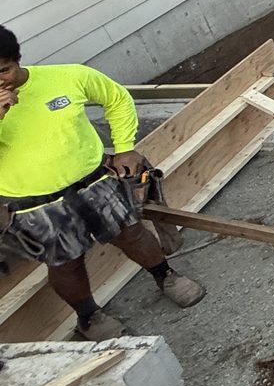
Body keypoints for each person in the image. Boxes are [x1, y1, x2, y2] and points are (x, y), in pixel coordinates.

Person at [0, 24, 204, 340]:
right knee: (66, 262)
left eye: (4, 70)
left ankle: (166, 277)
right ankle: (90, 317)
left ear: (17, 60)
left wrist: (124, 147)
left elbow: (116, 98)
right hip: (35, 205)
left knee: (132, 233)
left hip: (95, 182)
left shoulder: (67, 76)